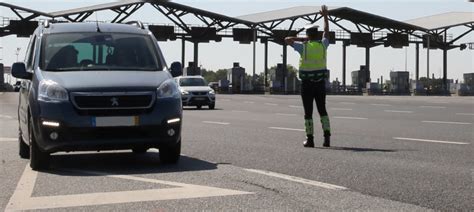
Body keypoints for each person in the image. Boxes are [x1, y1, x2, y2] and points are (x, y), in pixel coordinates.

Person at [284, 5, 331, 148]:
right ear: (317, 34)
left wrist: (304, 38)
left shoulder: (303, 47)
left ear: (308, 34)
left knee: (308, 112)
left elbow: (287, 39)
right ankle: (327, 138)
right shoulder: (323, 45)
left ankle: (310, 139)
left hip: (307, 85)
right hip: (320, 84)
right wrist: (325, 16)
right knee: (322, 110)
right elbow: (327, 32)